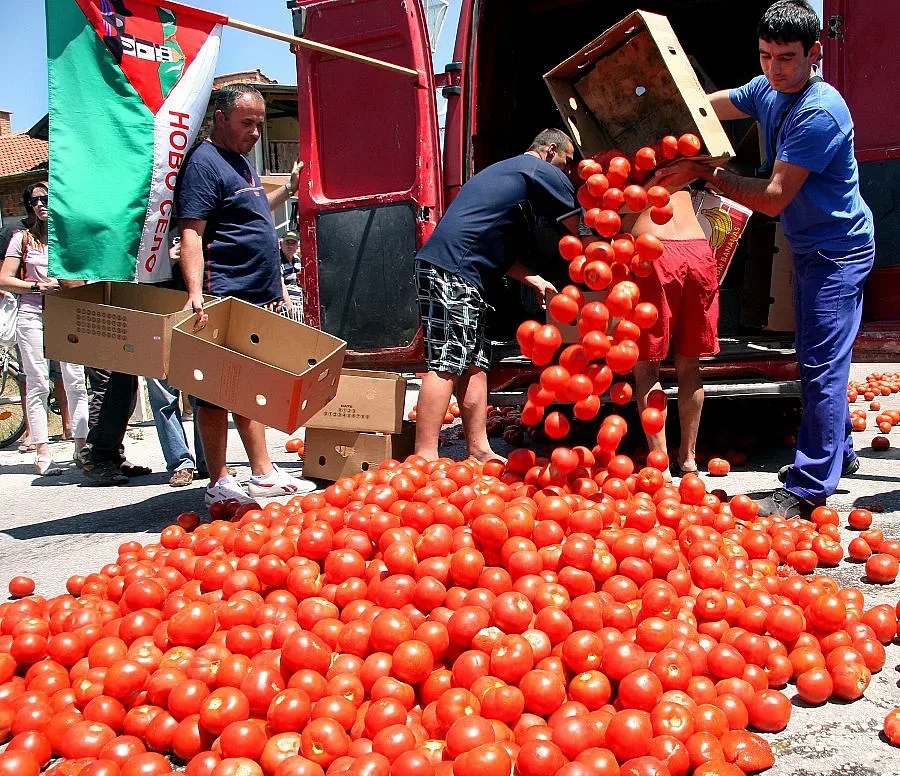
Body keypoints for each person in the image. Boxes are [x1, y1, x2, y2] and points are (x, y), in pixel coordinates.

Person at [653, 0, 875, 517]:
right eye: (765, 56)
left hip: (837, 252)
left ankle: (809, 485)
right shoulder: (768, 90)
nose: (774, 69)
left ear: (815, 53)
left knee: (820, 366)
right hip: (811, 246)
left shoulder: (820, 111)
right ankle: (837, 452)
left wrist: (701, 172)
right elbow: (712, 104)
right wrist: (667, 115)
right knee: (820, 356)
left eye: (787, 58)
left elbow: (774, 197)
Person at [177, 83, 316, 508]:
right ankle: (219, 478)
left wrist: (288, 190)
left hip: (255, 295)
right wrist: (196, 292)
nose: (256, 131)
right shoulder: (204, 163)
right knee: (218, 390)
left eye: (259, 123)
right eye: (247, 123)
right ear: (220, 119)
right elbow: (192, 233)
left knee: (246, 385)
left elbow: (252, 213)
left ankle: (261, 472)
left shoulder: (239, 162)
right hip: (226, 293)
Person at [413, 129, 578, 463]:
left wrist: (535, 280)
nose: (567, 171)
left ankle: (478, 449)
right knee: (447, 361)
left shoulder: (509, 178)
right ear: (549, 151)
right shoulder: (537, 169)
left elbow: (498, 253)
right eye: (567, 161)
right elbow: (583, 227)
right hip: (451, 270)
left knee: (475, 364)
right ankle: (425, 457)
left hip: (464, 272)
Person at [624, 189, 719, 478]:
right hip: (699, 250)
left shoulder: (626, 168)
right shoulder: (679, 171)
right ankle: (688, 459)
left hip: (653, 252)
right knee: (690, 364)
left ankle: (660, 465)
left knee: (645, 365)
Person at [0, 182, 90, 476]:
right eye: (34, 200)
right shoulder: (21, 239)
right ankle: (42, 452)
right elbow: (4, 279)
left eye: (46, 199)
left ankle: (81, 446)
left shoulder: (68, 239)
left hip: (65, 313)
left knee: (76, 380)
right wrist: (36, 285)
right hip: (32, 314)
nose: (40, 204)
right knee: (38, 382)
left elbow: (86, 277)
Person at [279, 230, 303, 321]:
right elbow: (281, 285)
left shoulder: (297, 259)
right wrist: (290, 308)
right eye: (287, 243)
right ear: (281, 244)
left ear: (297, 246)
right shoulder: (277, 259)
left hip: (299, 302)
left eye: (293, 243)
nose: (290, 246)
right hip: (285, 305)